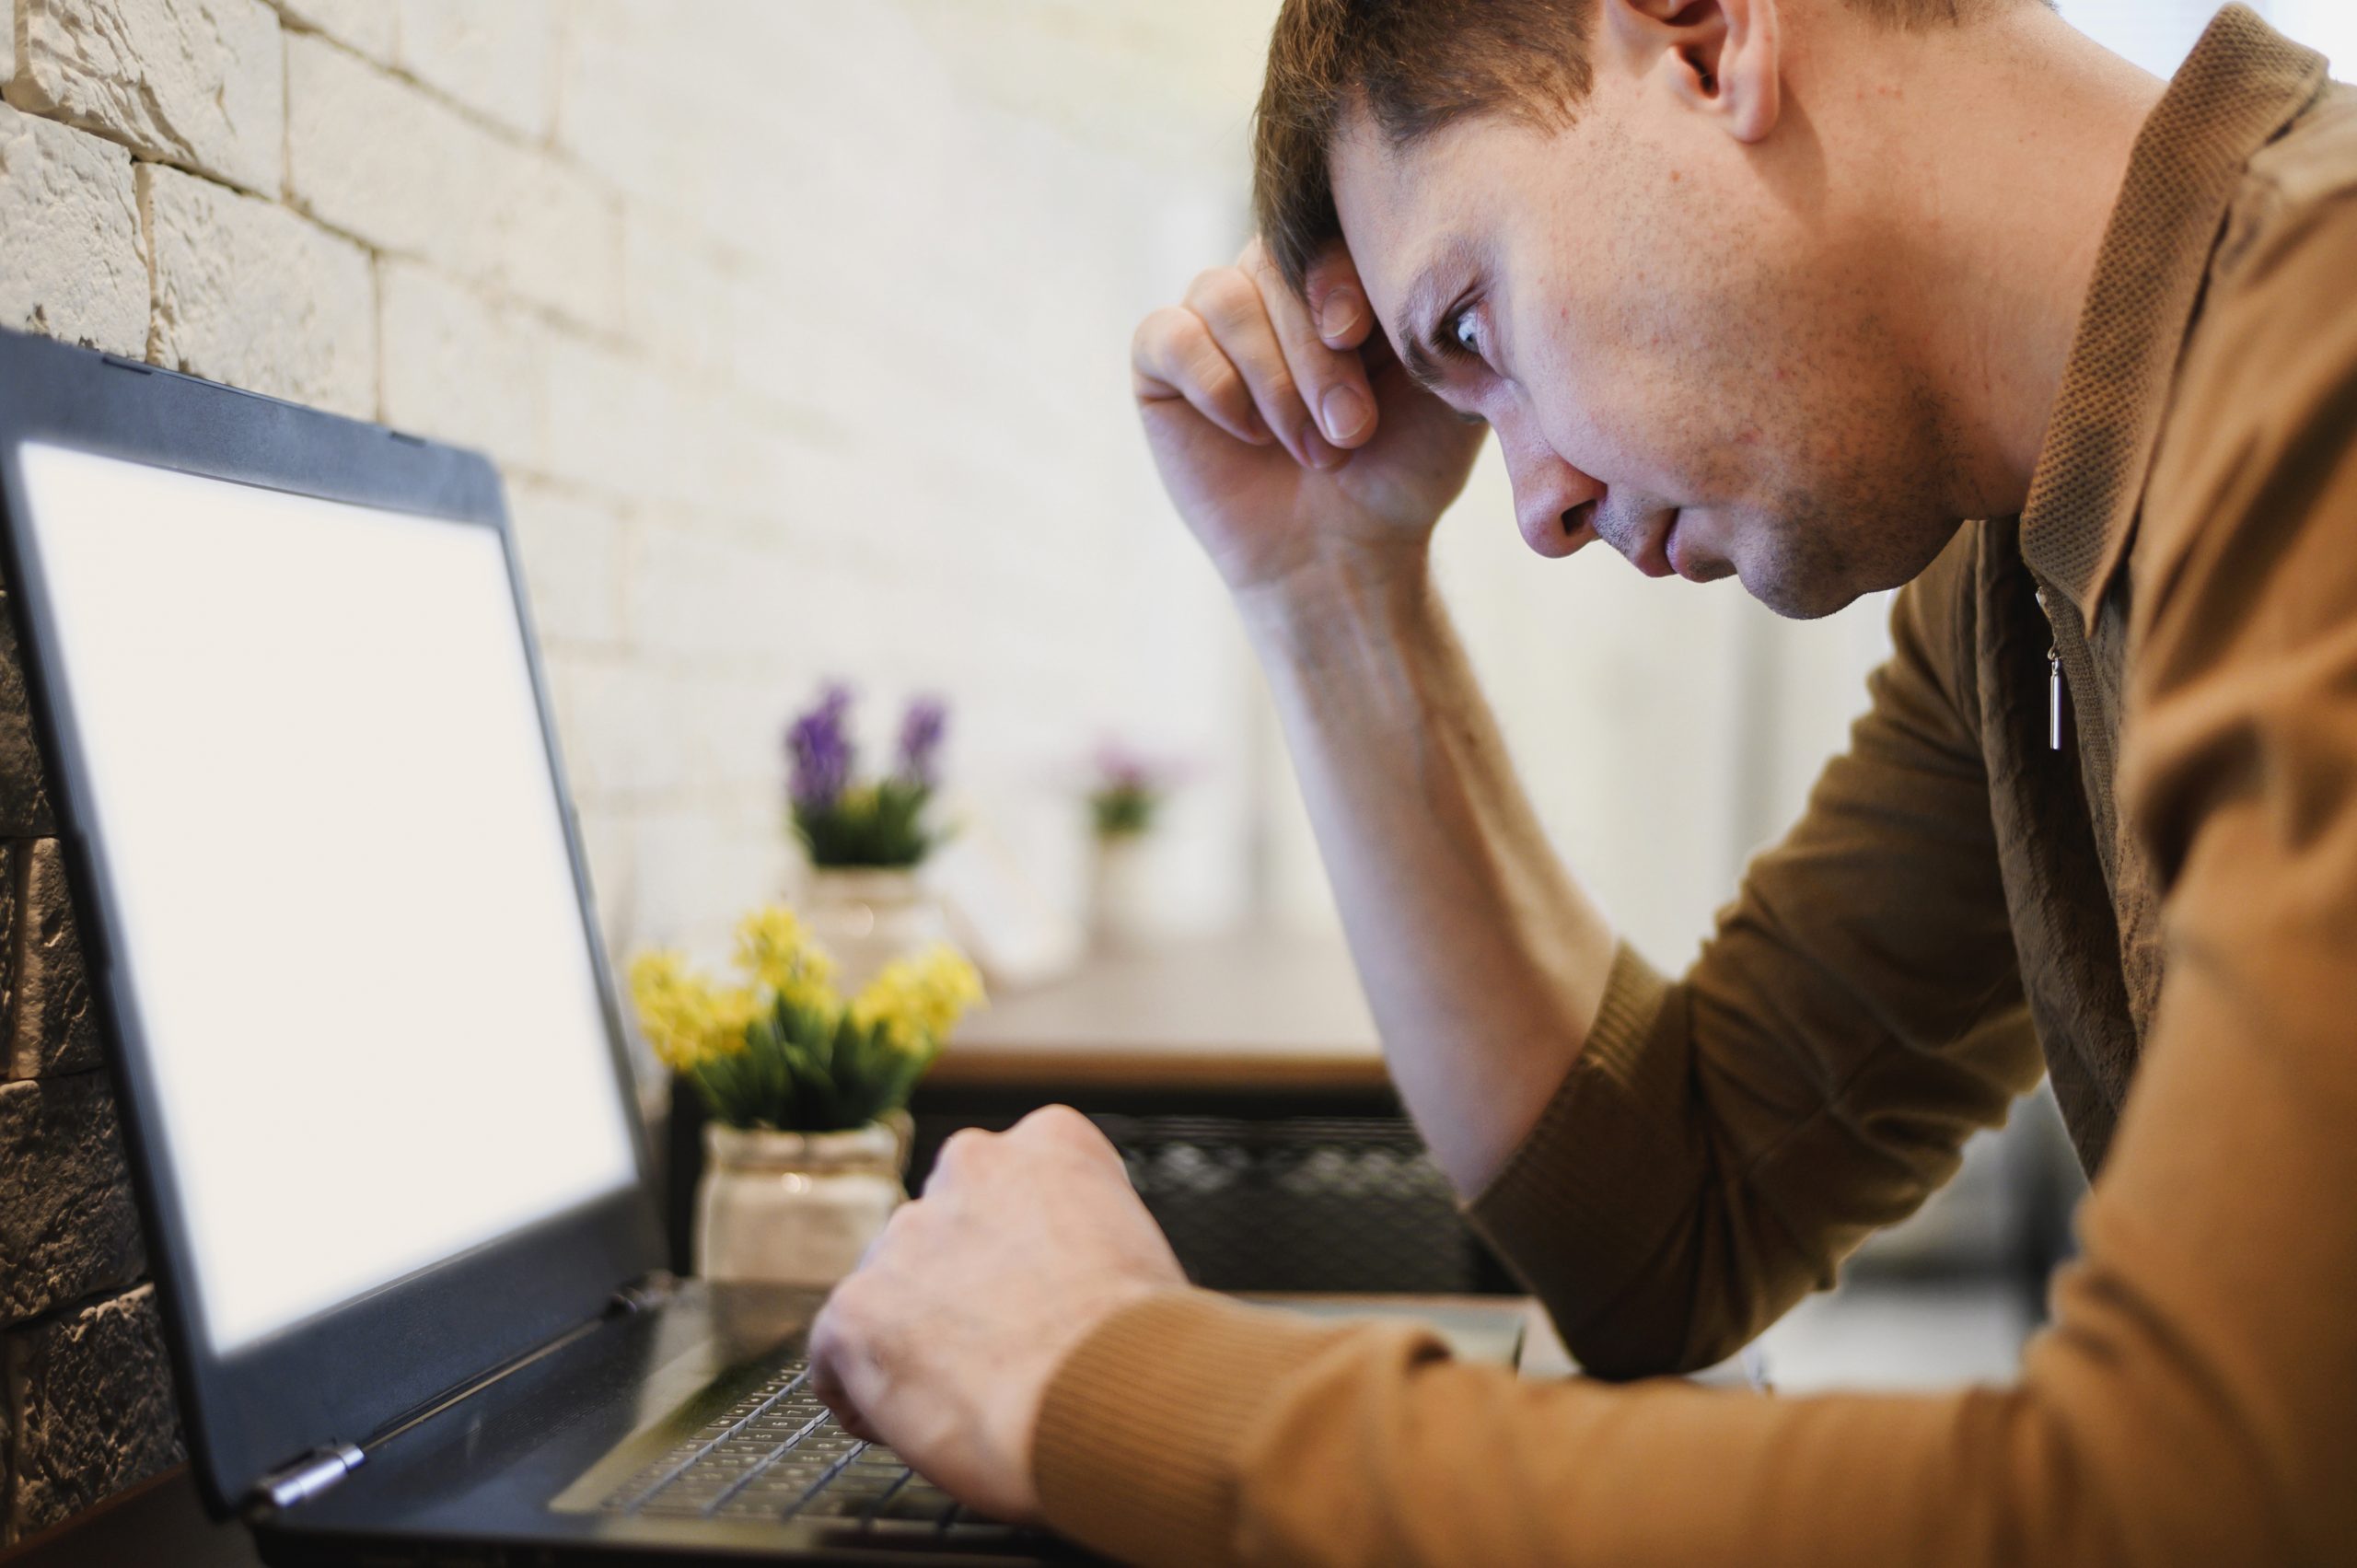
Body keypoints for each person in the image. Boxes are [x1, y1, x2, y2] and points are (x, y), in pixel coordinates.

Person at [808, 0, 2357, 1561]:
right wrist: (1332, 593)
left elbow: (2189, 1503)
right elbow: (1681, 1215)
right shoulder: (2016, 574)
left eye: (1471, 327)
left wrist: (1107, 1387)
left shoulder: (2326, 361)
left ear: (1701, 39)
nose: (1534, 504)